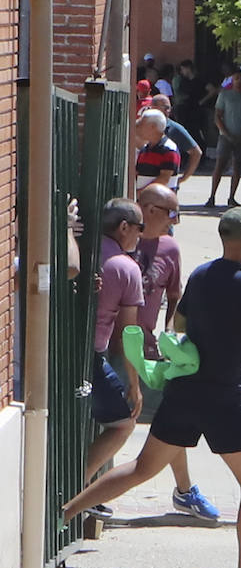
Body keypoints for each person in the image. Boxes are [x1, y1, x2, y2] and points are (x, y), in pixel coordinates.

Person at [62, 207, 241, 568]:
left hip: (185, 390)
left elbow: (179, 326)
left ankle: (64, 513)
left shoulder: (201, 276)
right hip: (226, 396)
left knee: (143, 467)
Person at [134, 184, 219, 521]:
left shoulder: (169, 248)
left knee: (167, 420)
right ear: (149, 210)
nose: (175, 222)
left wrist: (171, 334)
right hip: (111, 344)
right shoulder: (122, 239)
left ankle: (184, 491)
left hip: (151, 349)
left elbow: (175, 297)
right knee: (115, 418)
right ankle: (89, 485)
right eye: (172, 214)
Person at [81, 199, 146, 510]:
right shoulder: (125, 267)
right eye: (139, 228)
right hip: (91, 356)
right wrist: (133, 384)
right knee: (122, 423)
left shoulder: (80, 246)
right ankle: (78, 490)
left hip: (59, 352)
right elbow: (128, 333)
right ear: (124, 227)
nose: (140, 236)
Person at [207, 70, 241, 208]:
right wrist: (225, 133)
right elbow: (218, 116)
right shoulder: (224, 95)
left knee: (237, 167)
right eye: (237, 79)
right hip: (225, 136)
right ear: (232, 80)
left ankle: (232, 197)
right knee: (220, 165)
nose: (240, 81)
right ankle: (212, 196)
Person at [150, 94, 203, 185]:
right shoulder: (143, 125)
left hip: (167, 184)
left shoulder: (174, 129)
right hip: (143, 179)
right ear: (152, 108)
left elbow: (196, 153)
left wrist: (183, 178)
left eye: (169, 108)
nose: (168, 111)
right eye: (164, 107)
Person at [133, 108, 180, 192]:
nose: (137, 127)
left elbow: (164, 179)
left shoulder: (169, 149)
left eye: (141, 124)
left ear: (152, 127)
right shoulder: (144, 149)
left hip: (160, 203)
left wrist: (141, 193)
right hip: (144, 201)